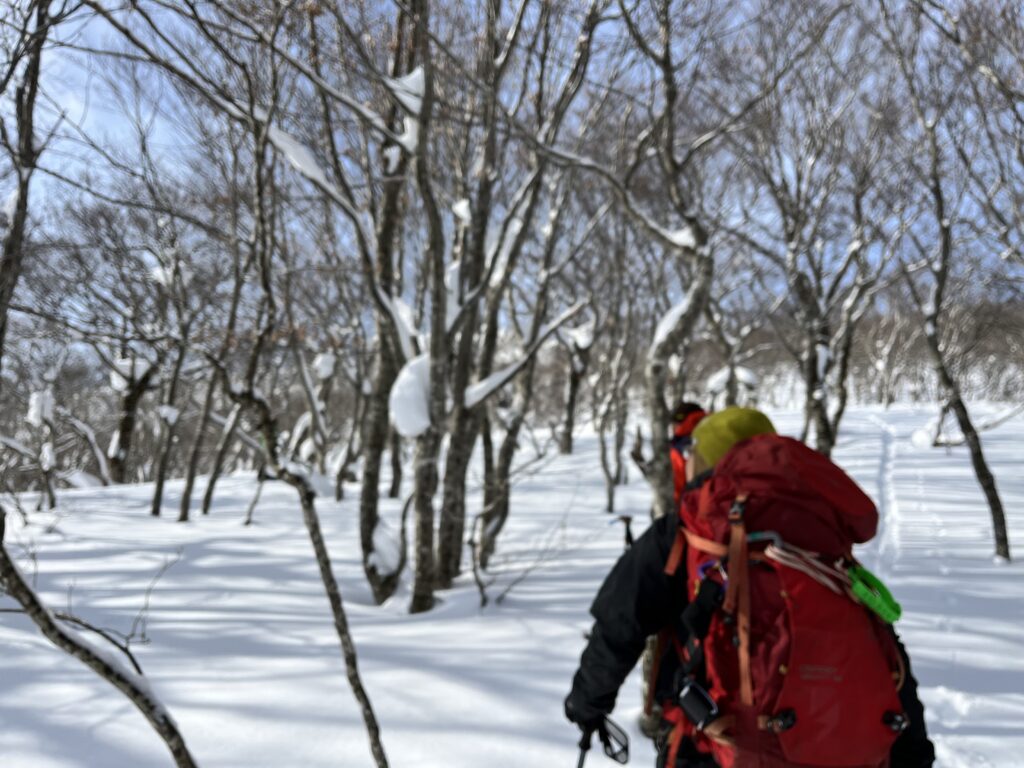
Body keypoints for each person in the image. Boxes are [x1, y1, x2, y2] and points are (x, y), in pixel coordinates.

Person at [566, 408, 935, 767]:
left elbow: (620, 622)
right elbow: (880, 642)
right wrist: (912, 747)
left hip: (711, 739)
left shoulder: (688, 529)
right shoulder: (818, 528)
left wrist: (588, 703)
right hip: (838, 743)